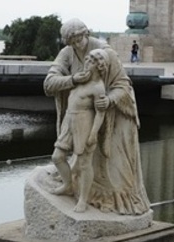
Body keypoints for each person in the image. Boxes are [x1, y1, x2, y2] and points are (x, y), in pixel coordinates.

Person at [44, 19, 150, 215]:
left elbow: (123, 85)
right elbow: (49, 83)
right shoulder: (67, 53)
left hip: (116, 110)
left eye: (79, 40)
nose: (77, 45)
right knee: (70, 156)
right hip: (80, 113)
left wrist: (109, 100)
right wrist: (73, 79)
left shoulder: (104, 53)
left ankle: (113, 200)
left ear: (86, 34)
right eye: (72, 42)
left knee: (113, 166)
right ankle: (74, 186)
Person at [52, 48, 109, 212]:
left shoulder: (98, 87)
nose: (87, 63)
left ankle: (83, 199)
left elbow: (100, 113)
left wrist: (93, 134)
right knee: (57, 157)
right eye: (87, 59)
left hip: (84, 122)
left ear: (99, 66)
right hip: (69, 120)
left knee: (84, 163)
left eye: (92, 61)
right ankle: (68, 184)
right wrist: (74, 79)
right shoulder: (81, 78)